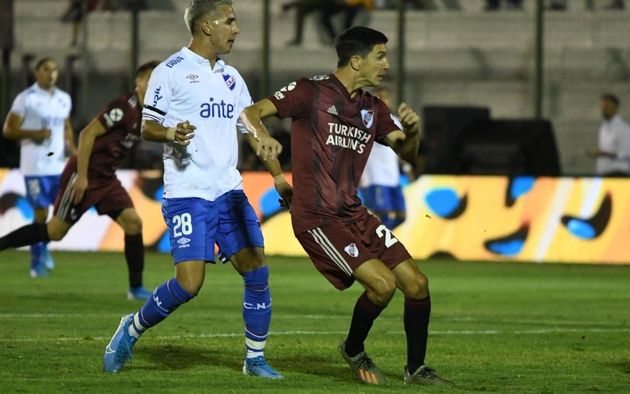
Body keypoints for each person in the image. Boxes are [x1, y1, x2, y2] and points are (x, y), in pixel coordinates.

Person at [241, 26, 452, 386]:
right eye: (380, 56)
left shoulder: (373, 107)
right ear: (356, 60)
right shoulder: (312, 91)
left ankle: (415, 369)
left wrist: (414, 132)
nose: (386, 65)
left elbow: (405, 150)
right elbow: (251, 112)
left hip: (354, 213)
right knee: (382, 285)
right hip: (318, 218)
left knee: (417, 284)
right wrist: (264, 141)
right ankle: (354, 348)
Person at [102, 0, 285, 379]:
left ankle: (254, 359)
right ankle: (131, 328)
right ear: (206, 26)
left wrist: (277, 172)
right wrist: (171, 133)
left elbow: (251, 126)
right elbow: (147, 126)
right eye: (230, 22)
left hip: (230, 193)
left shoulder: (233, 78)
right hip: (188, 193)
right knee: (189, 284)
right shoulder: (169, 72)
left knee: (256, 271)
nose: (236, 29)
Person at [0, 61, 158, 300]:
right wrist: (82, 176)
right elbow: (87, 133)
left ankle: (135, 289)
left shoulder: (150, 113)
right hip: (84, 173)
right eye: (152, 79)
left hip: (107, 179)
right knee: (54, 232)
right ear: (139, 82)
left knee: (133, 223)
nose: (157, 84)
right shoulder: (124, 107)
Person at [2, 57, 76, 277]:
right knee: (40, 213)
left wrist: (72, 148)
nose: (51, 74)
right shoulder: (26, 99)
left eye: (54, 70)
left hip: (58, 165)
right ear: (37, 73)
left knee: (58, 216)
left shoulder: (64, 99)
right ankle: (37, 261)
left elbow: (66, 127)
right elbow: (9, 129)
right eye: (46, 69)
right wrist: (34, 134)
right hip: (35, 166)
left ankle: (42, 249)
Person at [359, 86, 409, 230]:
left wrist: (406, 167)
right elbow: (358, 149)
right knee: (383, 214)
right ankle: (377, 246)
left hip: (393, 178)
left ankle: (375, 242)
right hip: (374, 177)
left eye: (385, 98)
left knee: (401, 216)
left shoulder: (396, 122)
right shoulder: (366, 123)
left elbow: (400, 149)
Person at [587, 93, 630, 176]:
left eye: (607, 105)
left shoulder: (623, 128)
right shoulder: (603, 127)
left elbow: (627, 154)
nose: (603, 108)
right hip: (604, 173)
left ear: (616, 107)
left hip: (618, 174)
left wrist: (604, 154)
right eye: (602, 106)